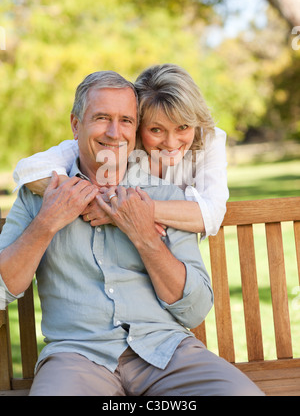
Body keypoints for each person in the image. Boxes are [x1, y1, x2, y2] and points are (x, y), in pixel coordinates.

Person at [0, 71, 263, 396]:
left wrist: (144, 235)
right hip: (77, 359)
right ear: (75, 124)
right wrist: (46, 224)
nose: (114, 132)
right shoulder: (42, 194)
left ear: (135, 129)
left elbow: (195, 311)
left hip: (167, 353)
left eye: (125, 120)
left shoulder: (164, 196)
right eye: (101, 118)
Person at [13, 64, 229, 238]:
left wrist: (126, 211)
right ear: (136, 125)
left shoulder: (208, 138)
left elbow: (212, 214)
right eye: (156, 129)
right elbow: (29, 169)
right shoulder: (118, 141)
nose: (171, 143)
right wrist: (104, 203)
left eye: (183, 127)